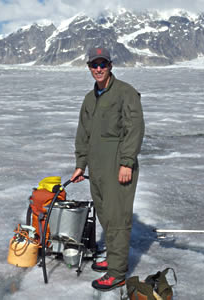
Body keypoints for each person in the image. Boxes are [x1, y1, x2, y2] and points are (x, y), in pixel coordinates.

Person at [70, 47, 145, 291]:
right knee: (104, 215)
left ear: (110, 65)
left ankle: (117, 272)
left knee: (118, 218)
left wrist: (126, 162)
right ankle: (113, 258)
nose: (99, 69)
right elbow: (83, 133)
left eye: (103, 64)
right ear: (89, 67)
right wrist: (81, 164)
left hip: (117, 164)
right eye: (94, 65)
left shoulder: (126, 93)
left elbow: (134, 129)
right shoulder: (90, 98)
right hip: (97, 167)